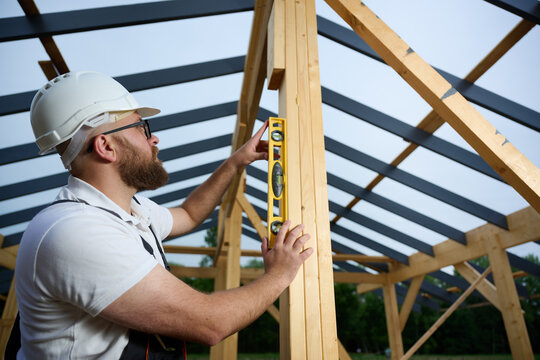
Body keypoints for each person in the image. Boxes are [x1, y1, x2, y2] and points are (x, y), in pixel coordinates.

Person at [13, 71, 312, 359]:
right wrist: (279, 274)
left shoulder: (130, 212)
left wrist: (235, 163)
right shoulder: (75, 232)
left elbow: (189, 213)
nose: (154, 139)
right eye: (141, 128)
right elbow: (210, 323)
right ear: (106, 146)